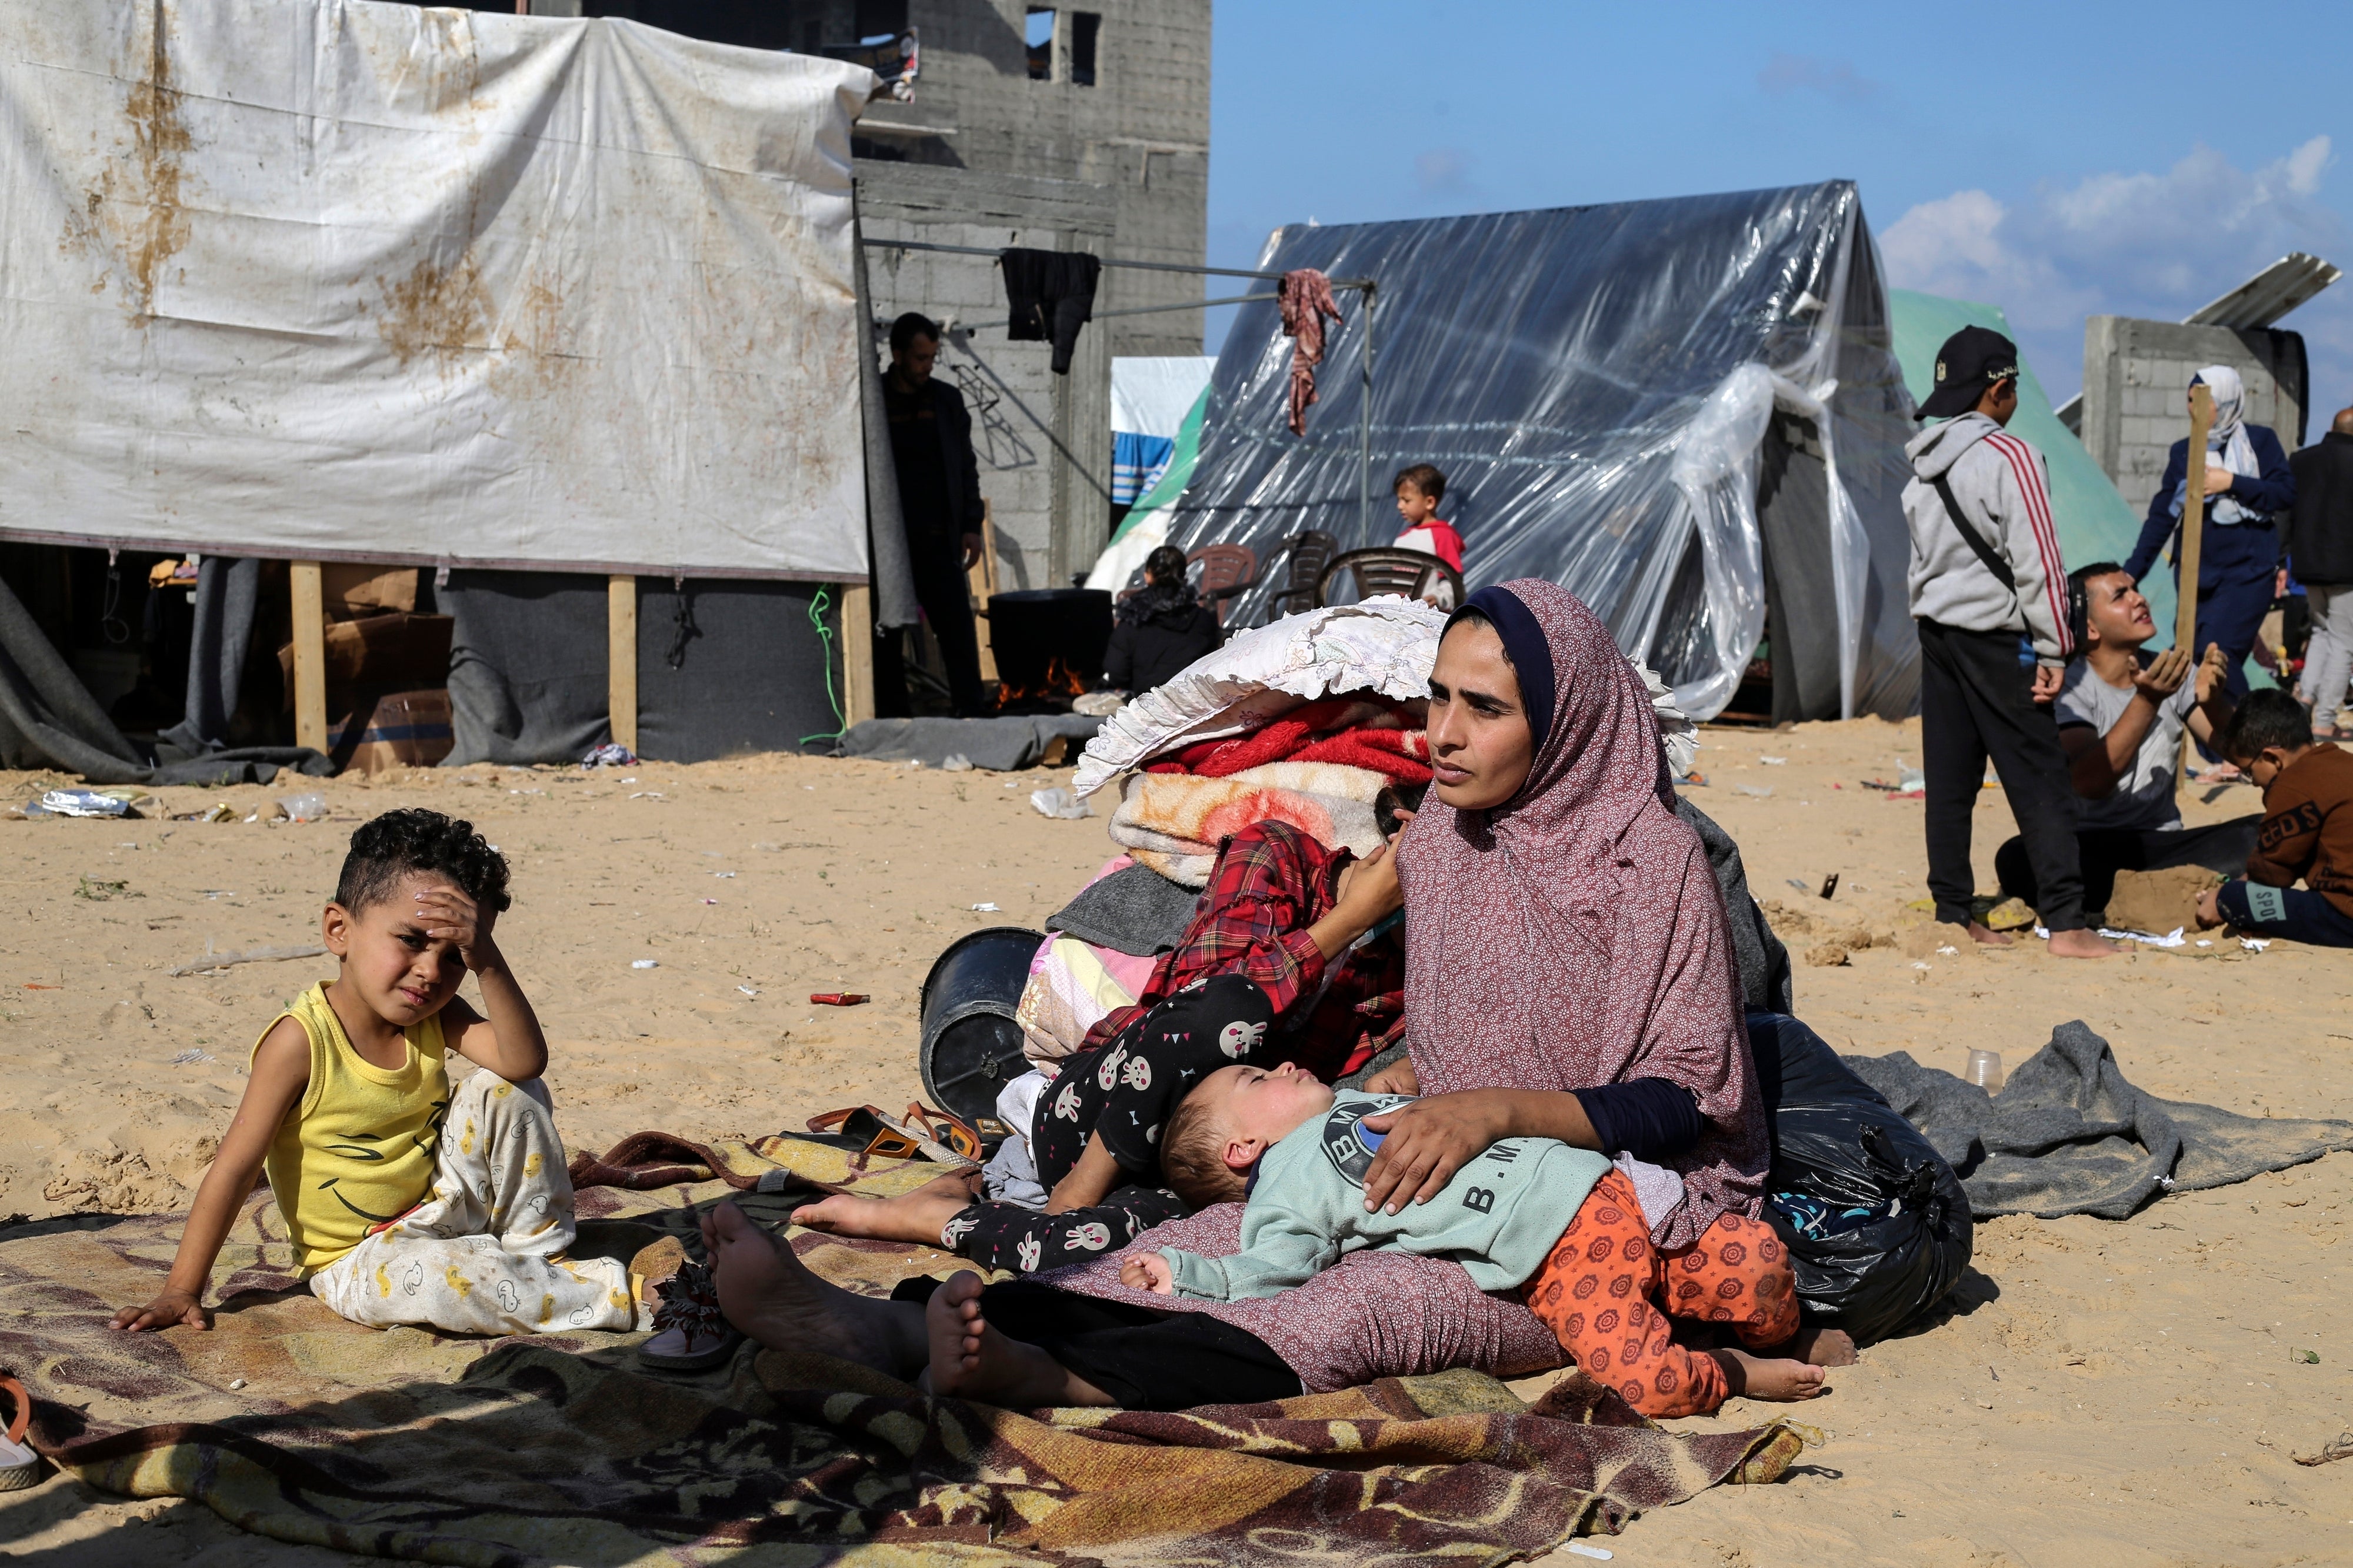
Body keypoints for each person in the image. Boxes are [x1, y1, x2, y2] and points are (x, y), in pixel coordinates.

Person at [786, 819, 1405, 1275]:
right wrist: (1348, 920)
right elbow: (1203, 1001)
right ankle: (1082, 1185)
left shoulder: (1419, 950)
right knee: (1225, 1014)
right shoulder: (1279, 855)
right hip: (1104, 1115)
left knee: (1085, 1252)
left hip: (1212, 1176)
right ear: (1392, 832)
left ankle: (936, 1216)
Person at [112, 810, 638, 1339]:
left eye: (455, 956)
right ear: (339, 930)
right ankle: (625, 1298)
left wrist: (489, 963)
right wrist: (182, 1289)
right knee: (451, 1282)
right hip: (359, 1262)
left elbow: (523, 1062)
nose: (431, 971)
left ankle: (540, 1257)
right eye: (411, 940)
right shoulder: (300, 1042)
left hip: (445, 1208)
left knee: (510, 1089)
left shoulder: (436, 1014)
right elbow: (234, 1169)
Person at [1122, 1062, 1827, 1414]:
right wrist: (1189, 1272)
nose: (1283, 1065)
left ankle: (1778, 1334)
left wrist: (1403, 1074)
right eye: (1256, 1077)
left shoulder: (1356, 1096)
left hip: (1608, 1184)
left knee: (1759, 1262)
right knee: (1644, 1386)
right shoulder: (1285, 1186)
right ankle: (1730, 1370)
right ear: (1243, 1147)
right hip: (1559, 1251)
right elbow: (1273, 1262)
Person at [1901, 326, 2118, 958]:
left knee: (1950, 779)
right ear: (2001, 388)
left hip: (1937, 635)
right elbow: (2039, 562)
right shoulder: (2011, 456)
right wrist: (2054, 649)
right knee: (2038, 775)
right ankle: (2068, 923)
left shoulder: (1921, 466)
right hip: (1999, 638)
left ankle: (1952, 910)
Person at [1993, 563, 2257, 918]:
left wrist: (2214, 703)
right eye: (2120, 596)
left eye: (2135, 589)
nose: (2139, 599)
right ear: (2090, 627)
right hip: (2090, 845)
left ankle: (2151, 893)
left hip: (2163, 845)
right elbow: (2091, 782)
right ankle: (2167, 894)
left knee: (2261, 833)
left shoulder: (2171, 670)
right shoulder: (2069, 685)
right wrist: (2147, 701)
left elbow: (2243, 756)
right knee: (2016, 858)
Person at [2124, 366, 2297, 722]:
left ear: (2227, 402)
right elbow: (2163, 515)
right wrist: (2131, 573)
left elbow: (2284, 494)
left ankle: (2253, 732)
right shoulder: (2184, 452)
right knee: (2191, 658)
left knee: (2218, 653)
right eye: (2190, 401)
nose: (2194, 409)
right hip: (2195, 575)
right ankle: (2219, 742)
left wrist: (2231, 482)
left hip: (2248, 572)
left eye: (2204, 402)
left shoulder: (2260, 443)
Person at [876, 312, 988, 718]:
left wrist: (972, 525)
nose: (927, 366)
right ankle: (893, 718)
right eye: (920, 358)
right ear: (898, 355)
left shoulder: (946, 401)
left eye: (932, 358)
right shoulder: (874, 400)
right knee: (887, 633)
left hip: (939, 539)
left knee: (956, 628)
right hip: (889, 544)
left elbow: (966, 468)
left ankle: (971, 713)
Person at [2195, 689, 2353, 946]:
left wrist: (2222, 897)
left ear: (2272, 758)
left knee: (2235, 898)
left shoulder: (2292, 784)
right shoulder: (2342, 762)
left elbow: (2271, 874)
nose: (2254, 783)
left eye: (2249, 772)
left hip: (2345, 916)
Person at [2287, 406, 2353, 738]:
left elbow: (2286, 511)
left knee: (2321, 633)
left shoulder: (2301, 460)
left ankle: (2306, 699)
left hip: (2308, 564)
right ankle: (2325, 720)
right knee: (2344, 642)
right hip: (2347, 569)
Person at [1102, 544, 1222, 696]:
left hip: (1149, 701)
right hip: (1195, 699)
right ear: (1183, 576)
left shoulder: (1133, 620)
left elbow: (1117, 671)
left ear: (1148, 576)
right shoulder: (1203, 618)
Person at [1391, 464, 1464, 574]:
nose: (1399, 506)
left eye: (1406, 500)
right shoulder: (1402, 538)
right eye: (1399, 499)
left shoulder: (1444, 536)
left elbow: (1452, 578)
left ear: (1430, 502)